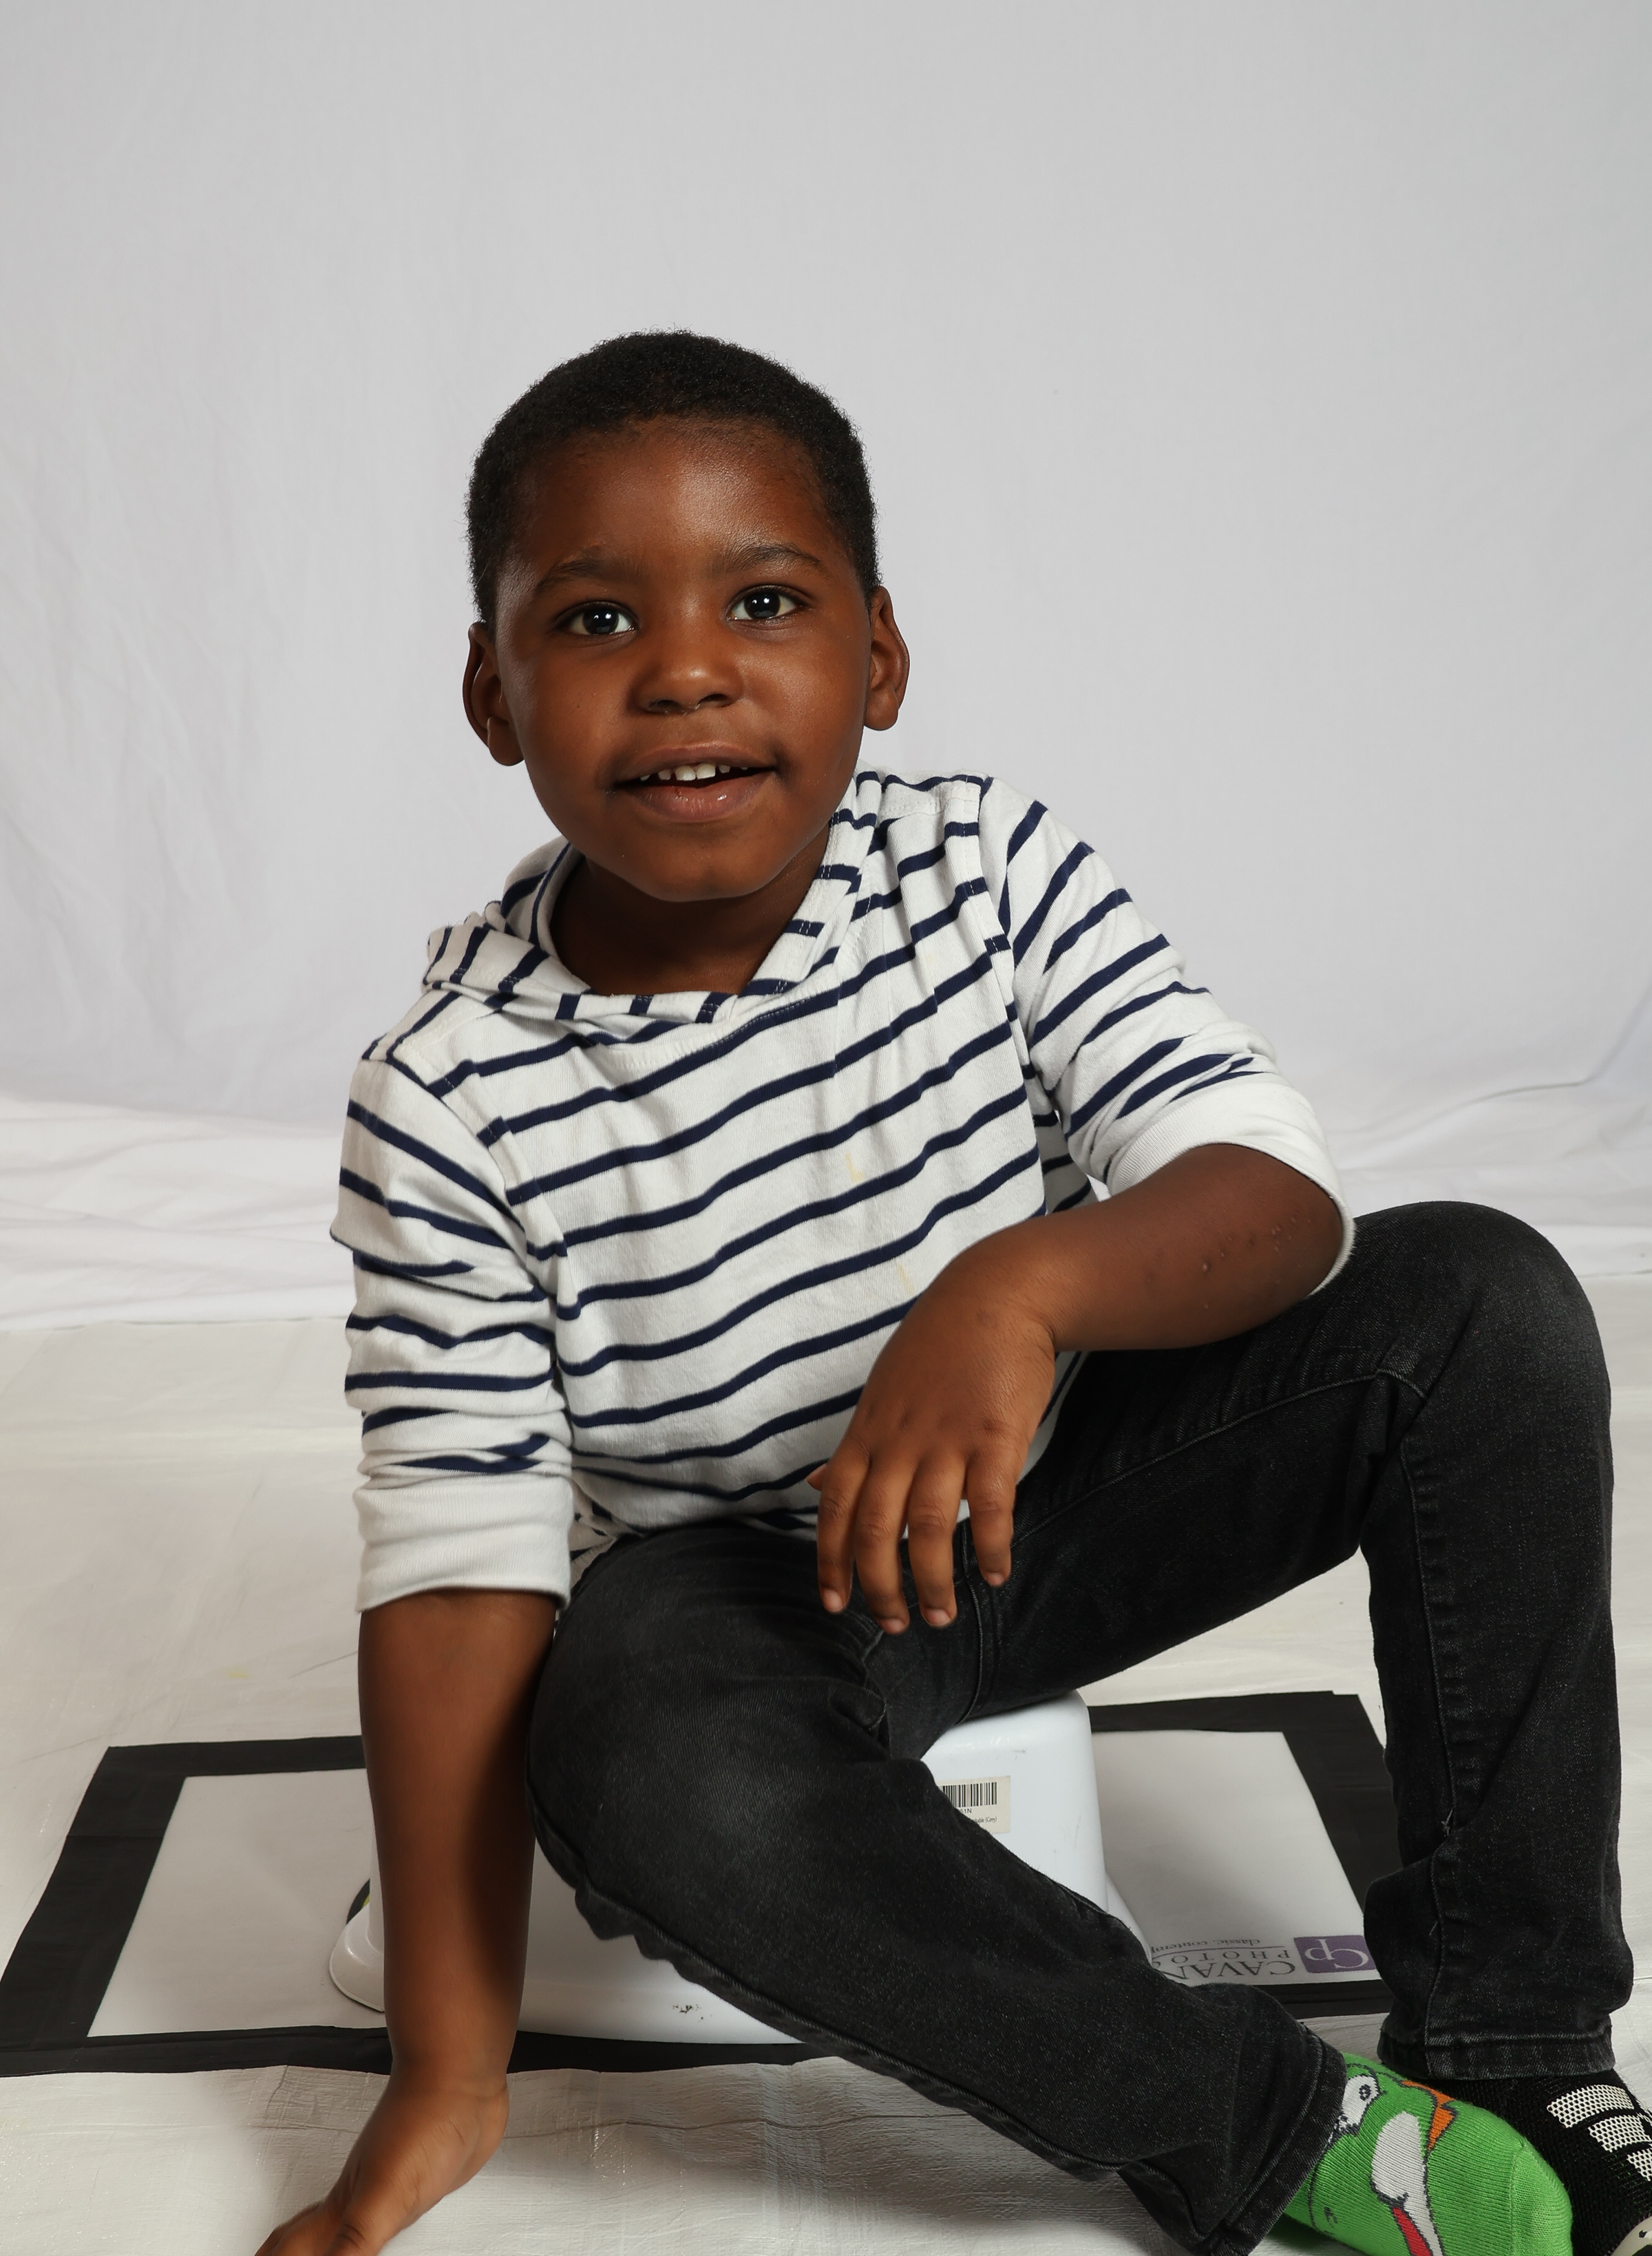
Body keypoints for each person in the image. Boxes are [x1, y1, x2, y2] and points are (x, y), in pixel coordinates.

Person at [260, 332, 1648, 2256]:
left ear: (880, 661)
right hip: (757, 1599)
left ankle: (1512, 2042)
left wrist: (1022, 1288)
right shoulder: (446, 1093)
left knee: (1482, 1300)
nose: (685, 668)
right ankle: (1285, 2129)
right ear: (493, 691)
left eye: (765, 601)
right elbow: (454, 1572)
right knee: (646, 1755)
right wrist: (446, 2067)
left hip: (1071, 1494)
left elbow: (1273, 1193)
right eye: (595, 618)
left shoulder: (984, 869)